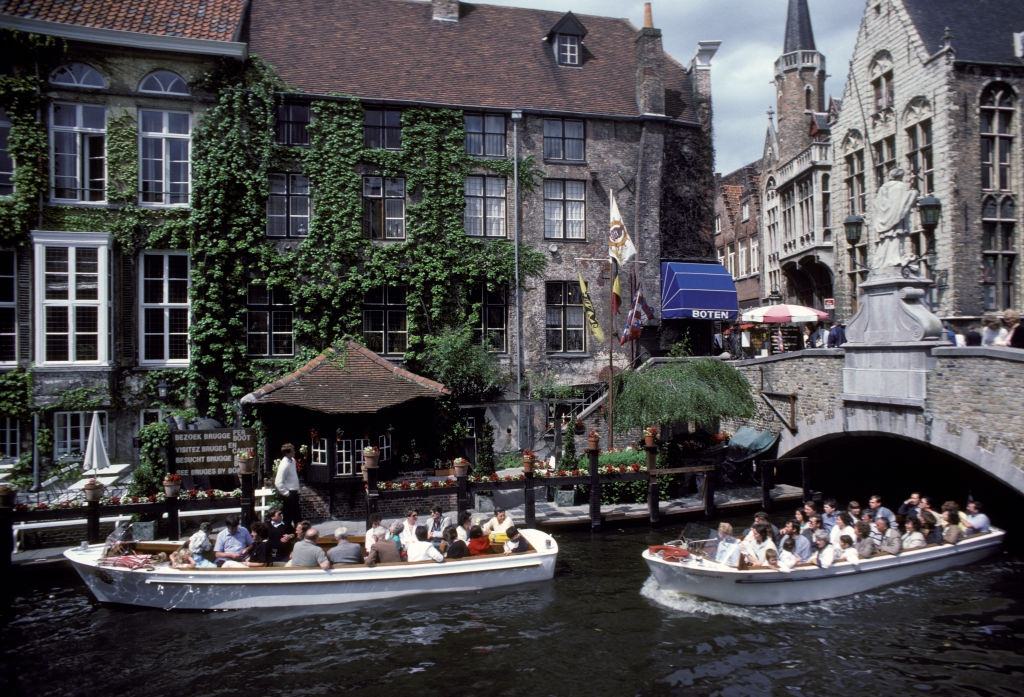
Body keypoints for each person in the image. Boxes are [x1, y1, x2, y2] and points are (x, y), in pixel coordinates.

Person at [871, 168, 919, 268]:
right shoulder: (900, 186)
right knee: (896, 239)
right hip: (896, 220)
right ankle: (894, 258)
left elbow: (878, 205)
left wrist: (886, 215)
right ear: (900, 176)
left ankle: (885, 260)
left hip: (885, 219)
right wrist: (913, 192)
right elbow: (902, 203)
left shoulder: (883, 188)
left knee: (887, 240)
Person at [274, 443, 301, 527]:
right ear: (287, 453)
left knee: (297, 517)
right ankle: (287, 533)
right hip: (289, 494)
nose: (294, 452)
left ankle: (298, 533)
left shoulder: (292, 460)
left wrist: (297, 489)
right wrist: (287, 493)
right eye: (292, 451)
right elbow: (278, 482)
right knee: (288, 518)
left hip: (294, 492)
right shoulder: (284, 464)